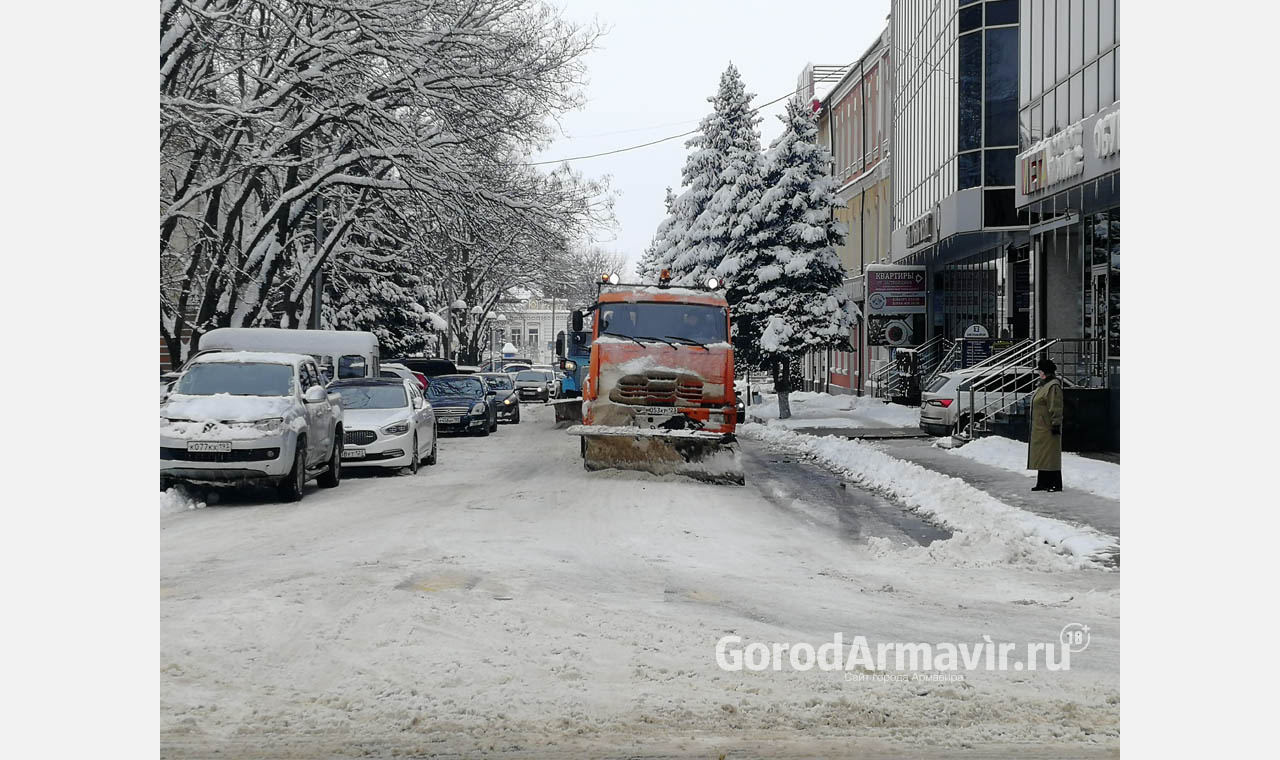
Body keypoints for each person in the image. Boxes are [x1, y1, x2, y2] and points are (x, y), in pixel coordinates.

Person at [1028, 358, 1064, 492]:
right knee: (1042, 455)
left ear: (1044, 372)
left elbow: (1056, 406)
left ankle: (1055, 483)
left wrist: (1055, 424)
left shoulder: (1052, 386)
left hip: (1048, 427)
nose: (1038, 373)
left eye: (1039, 370)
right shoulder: (1043, 385)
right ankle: (1042, 482)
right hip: (1040, 427)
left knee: (1050, 456)